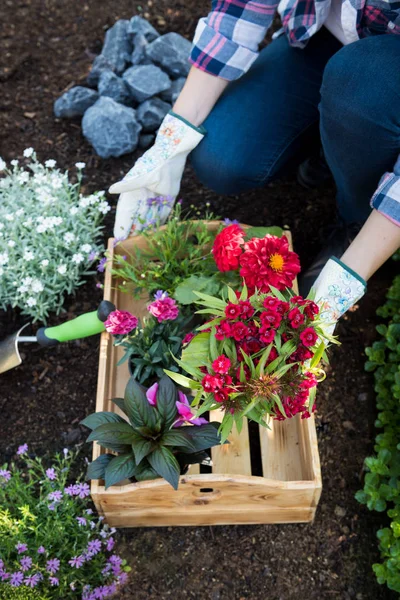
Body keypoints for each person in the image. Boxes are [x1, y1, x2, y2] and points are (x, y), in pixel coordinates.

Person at [109, 0, 400, 329]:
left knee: (365, 84)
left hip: (383, 76)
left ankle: (356, 218)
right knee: (222, 159)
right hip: (325, 37)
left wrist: (351, 274)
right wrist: (169, 146)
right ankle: (336, 138)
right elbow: (240, 8)